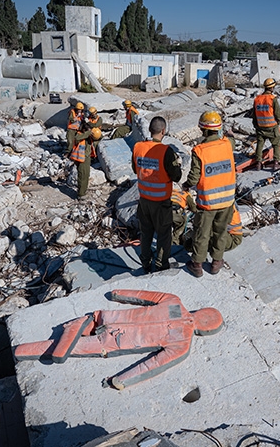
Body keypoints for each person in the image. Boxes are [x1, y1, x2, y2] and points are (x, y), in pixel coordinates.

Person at [13, 289, 224, 390]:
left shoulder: (174, 302)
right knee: (70, 348)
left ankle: (76, 325)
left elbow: (142, 296)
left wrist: (116, 294)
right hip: (114, 342)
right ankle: (23, 351)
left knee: (86, 323)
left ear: (200, 311)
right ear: (204, 331)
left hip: (106, 318)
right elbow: (151, 366)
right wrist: (120, 380)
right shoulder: (181, 344)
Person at [183, 110, 237, 278]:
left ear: (203, 130)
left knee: (202, 232)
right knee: (220, 231)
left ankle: (197, 264)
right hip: (227, 200)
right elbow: (232, 139)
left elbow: (194, 176)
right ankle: (216, 262)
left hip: (208, 202)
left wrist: (186, 185)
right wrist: (229, 134)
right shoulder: (228, 144)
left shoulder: (199, 150)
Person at [132, 116, 182, 273]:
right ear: (163, 131)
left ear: (149, 130)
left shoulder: (138, 147)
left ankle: (145, 263)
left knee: (146, 233)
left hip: (144, 200)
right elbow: (177, 176)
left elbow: (136, 169)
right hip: (161, 202)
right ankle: (161, 264)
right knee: (164, 234)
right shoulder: (166, 151)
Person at [252, 77, 280, 171]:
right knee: (276, 144)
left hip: (260, 127)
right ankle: (275, 163)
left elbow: (254, 114)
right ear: (272, 88)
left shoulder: (257, 99)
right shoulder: (273, 99)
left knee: (260, 145)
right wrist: (278, 122)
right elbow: (278, 113)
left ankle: (258, 163)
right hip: (272, 127)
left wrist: (256, 125)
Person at [70, 127, 102, 199]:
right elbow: (77, 138)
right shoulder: (80, 135)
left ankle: (82, 191)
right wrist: (88, 133)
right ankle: (81, 195)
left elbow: (98, 137)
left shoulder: (87, 136)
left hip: (86, 158)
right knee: (83, 175)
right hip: (82, 158)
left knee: (85, 175)